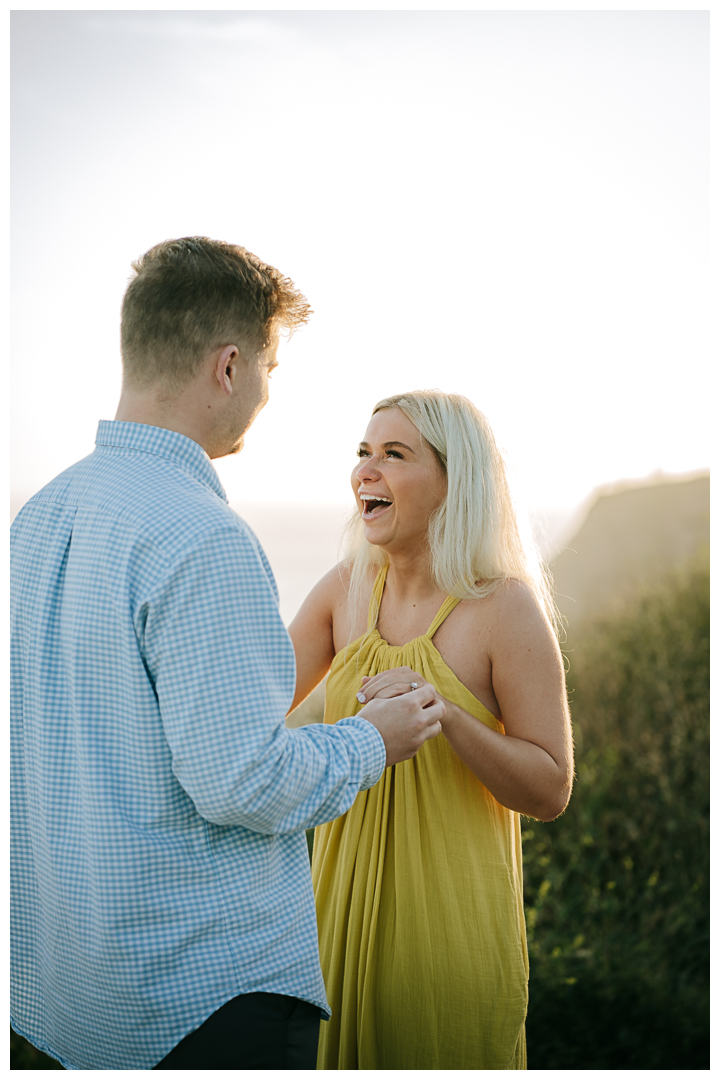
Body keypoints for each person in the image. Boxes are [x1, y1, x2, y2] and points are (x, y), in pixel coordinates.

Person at [9, 239, 445, 1071]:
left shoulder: (38, 519)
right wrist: (372, 739)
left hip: (57, 999)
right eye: (272, 367)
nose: (269, 391)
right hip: (196, 1000)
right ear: (231, 365)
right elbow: (244, 780)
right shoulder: (203, 536)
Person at [288, 390, 574, 1069]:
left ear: (453, 481)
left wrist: (443, 715)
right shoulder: (342, 590)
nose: (367, 470)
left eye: (394, 454)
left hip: (448, 935)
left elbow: (551, 788)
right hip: (333, 926)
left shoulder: (504, 607)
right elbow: (250, 708)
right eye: (363, 452)